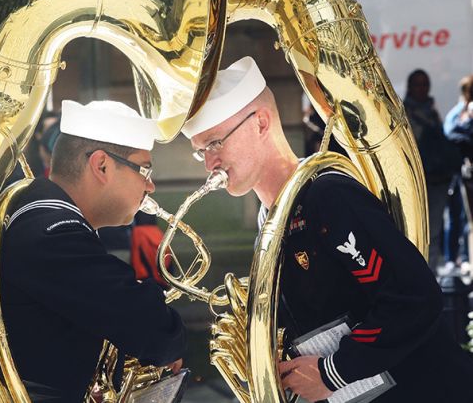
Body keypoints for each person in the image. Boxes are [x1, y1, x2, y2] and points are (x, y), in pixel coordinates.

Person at [181, 56, 473, 402]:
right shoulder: (270, 219)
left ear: (260, 123)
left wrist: (333, 372)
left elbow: (413, 298)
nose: (210, 162)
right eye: (201, 152)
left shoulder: (327, 194)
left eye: (215, 142)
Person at [0, 100, 186, 402]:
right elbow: (153, 330)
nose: (150, 186)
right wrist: (170, 335)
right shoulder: (53, 230)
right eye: (144, 170)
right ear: (101, 165)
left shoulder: (41, 215)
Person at [403, 69, 461, 274]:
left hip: (437, 180)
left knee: (434, 232)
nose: (422, 88)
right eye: (418, 84)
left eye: (424, 84)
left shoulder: (431, 110)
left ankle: (430, 277)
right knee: (415, 233)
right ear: (410, 87)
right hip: (416, 182)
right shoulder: (403, 112)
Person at [444, 74, 473, 276]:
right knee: (461, 217)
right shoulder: (459, 112)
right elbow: (449, 132)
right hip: (463, 172)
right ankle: (457, 258)